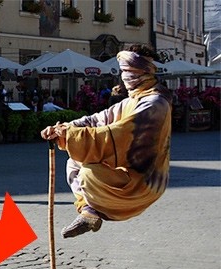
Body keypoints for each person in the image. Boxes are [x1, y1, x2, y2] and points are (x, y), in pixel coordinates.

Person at [40, 44, 173, 238]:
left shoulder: (155, 103)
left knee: (88, 173)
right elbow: (96, 120)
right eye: (123, 72)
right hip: (127, 176)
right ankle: (89, 213)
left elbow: (116, 134)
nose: (125, 77)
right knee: (74, 163)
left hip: (144, 181)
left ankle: (92, 210)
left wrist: (68, 135)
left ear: (144, 72)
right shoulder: (131, 101)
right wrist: (61, 128)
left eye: (129, 72)